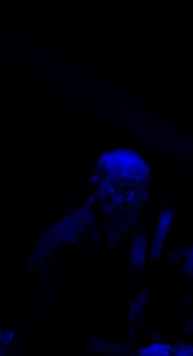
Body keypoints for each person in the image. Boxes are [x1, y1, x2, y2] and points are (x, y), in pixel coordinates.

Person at [12, 148, 176, 356]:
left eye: (140, 192)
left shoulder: (113, 240)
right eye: (122, 188)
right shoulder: (66, 245)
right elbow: (52, 339)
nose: (131, 200)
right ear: (95, 187)